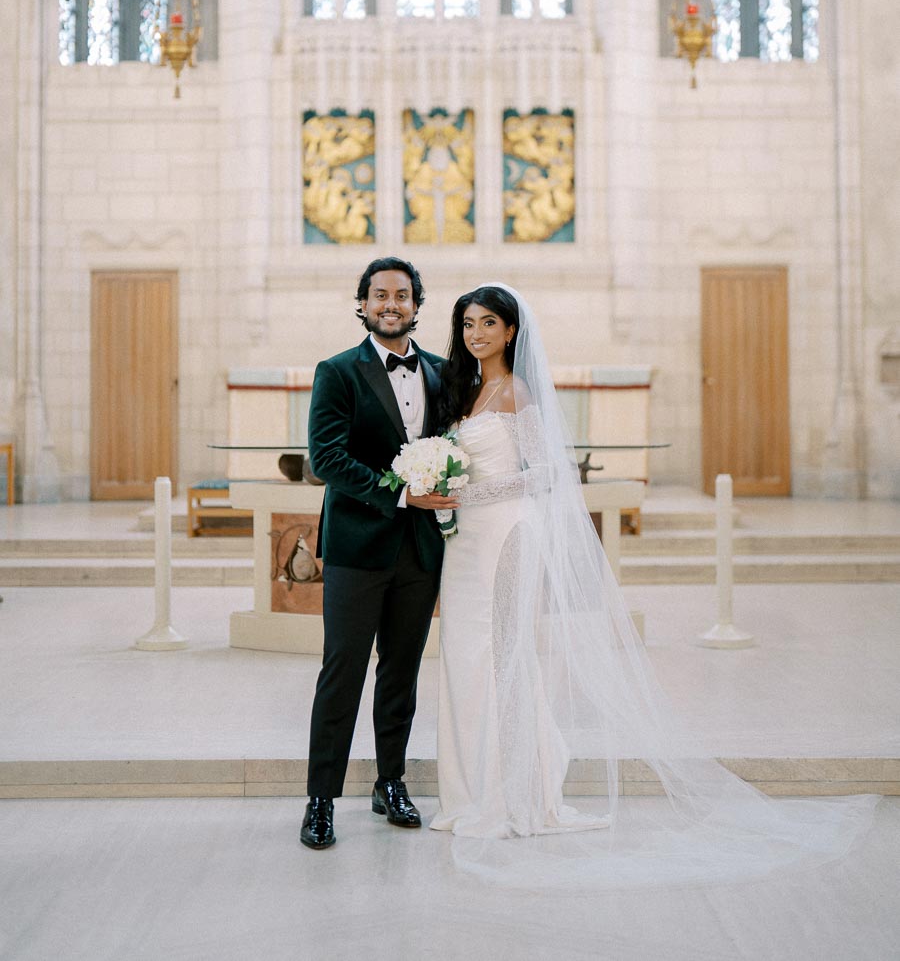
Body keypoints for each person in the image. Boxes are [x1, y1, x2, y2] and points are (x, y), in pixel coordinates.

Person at [431, 283, 876, 887]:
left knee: (504, 657)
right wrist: (440, 493)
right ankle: (467, 793)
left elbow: (545, 476)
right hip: (463, 543)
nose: (476, 334)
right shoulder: (464, 390)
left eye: (488, 323)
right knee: (462, 656)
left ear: (511, 331)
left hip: (507, 535)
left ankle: (514, 796)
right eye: (468, 324)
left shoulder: (518, 390)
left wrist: (468, 493)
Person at [299, 257, 458, 850]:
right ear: (362, 304)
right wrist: (401, 492)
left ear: (418, 304)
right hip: (357, 548)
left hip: (420, 551)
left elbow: (455, 450)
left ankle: (390, 782)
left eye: (403, 294)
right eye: (380, 295)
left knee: (402, 672)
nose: (392, 304)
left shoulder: (444, 374)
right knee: (341, 672)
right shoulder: (337, 372)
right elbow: (328, 459)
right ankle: (321, 799)